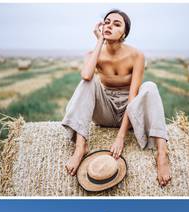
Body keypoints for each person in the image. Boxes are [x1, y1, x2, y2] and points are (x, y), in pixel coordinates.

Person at [62, 9, 171, 187]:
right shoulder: (92, 55)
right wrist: (99, 41)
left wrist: (120, 137)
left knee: (150, 87)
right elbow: (86, 75)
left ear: (124, 34)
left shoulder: (136, 55)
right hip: (106, 110)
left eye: (116, 24)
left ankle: (161, 153)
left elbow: (133, 96)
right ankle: (81, 146)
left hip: (130, 110)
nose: (109, 26)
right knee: (88, 82)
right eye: (107, 22)